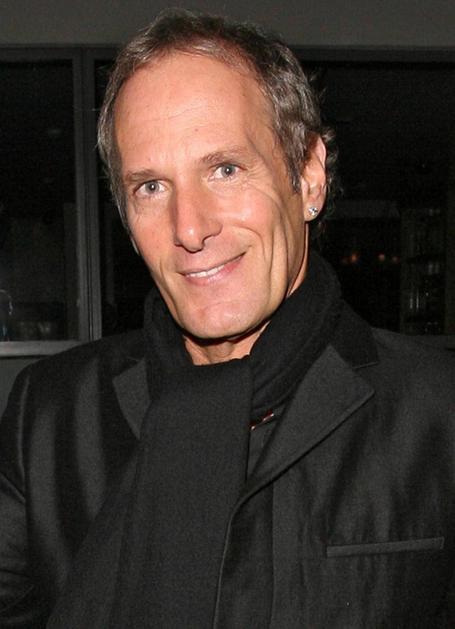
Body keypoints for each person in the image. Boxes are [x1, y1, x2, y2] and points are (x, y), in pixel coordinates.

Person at [1, 9, 454, 628]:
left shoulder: (437, 414)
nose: (190, 228)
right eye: (151, 187)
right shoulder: (51, 417)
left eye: (225, 169)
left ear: (309, 177)